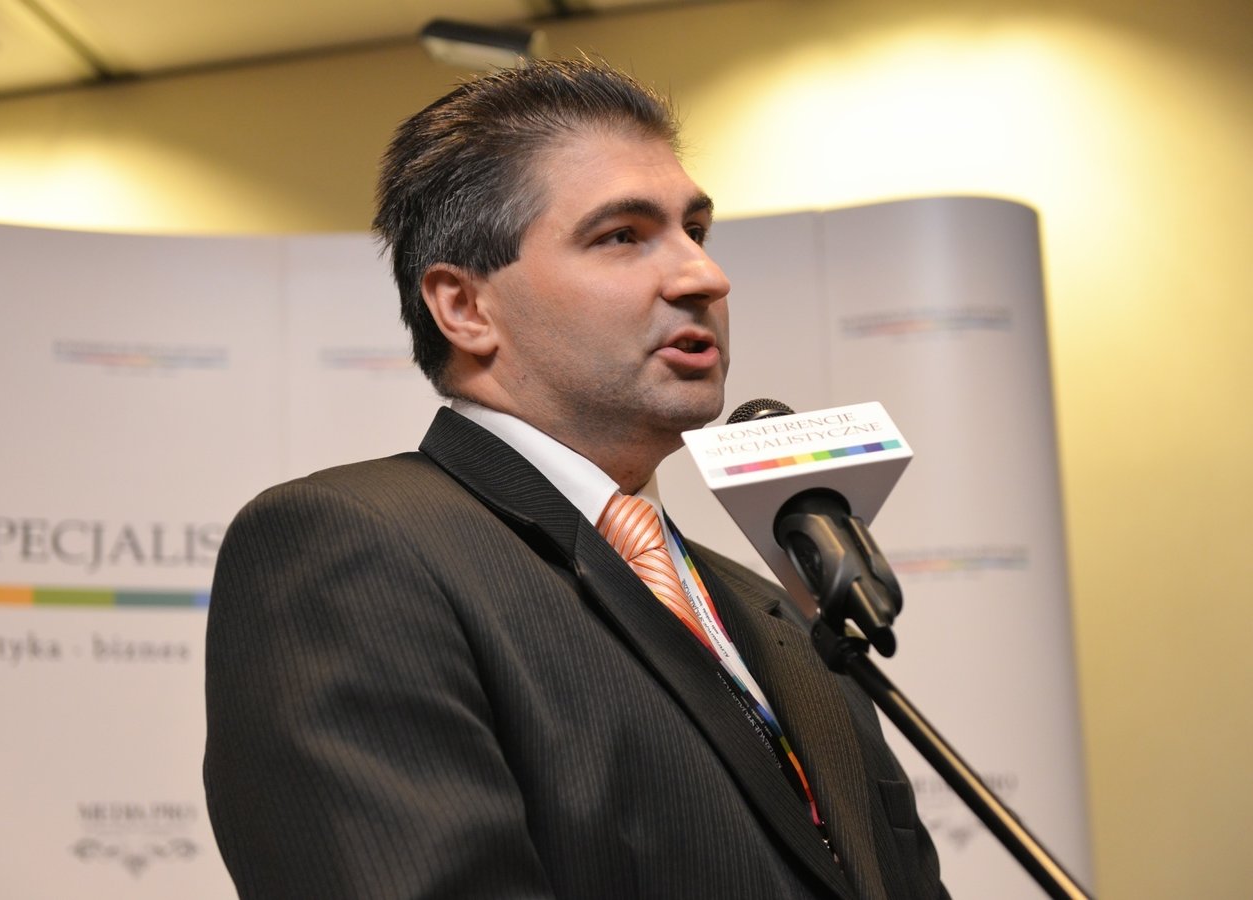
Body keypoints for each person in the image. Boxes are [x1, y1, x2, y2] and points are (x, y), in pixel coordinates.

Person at [203, 59, 947, 900]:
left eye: (696, 230)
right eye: (623, 236)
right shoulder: (353, 547)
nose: (705, 277)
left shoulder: (773, 608)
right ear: (464, 307)